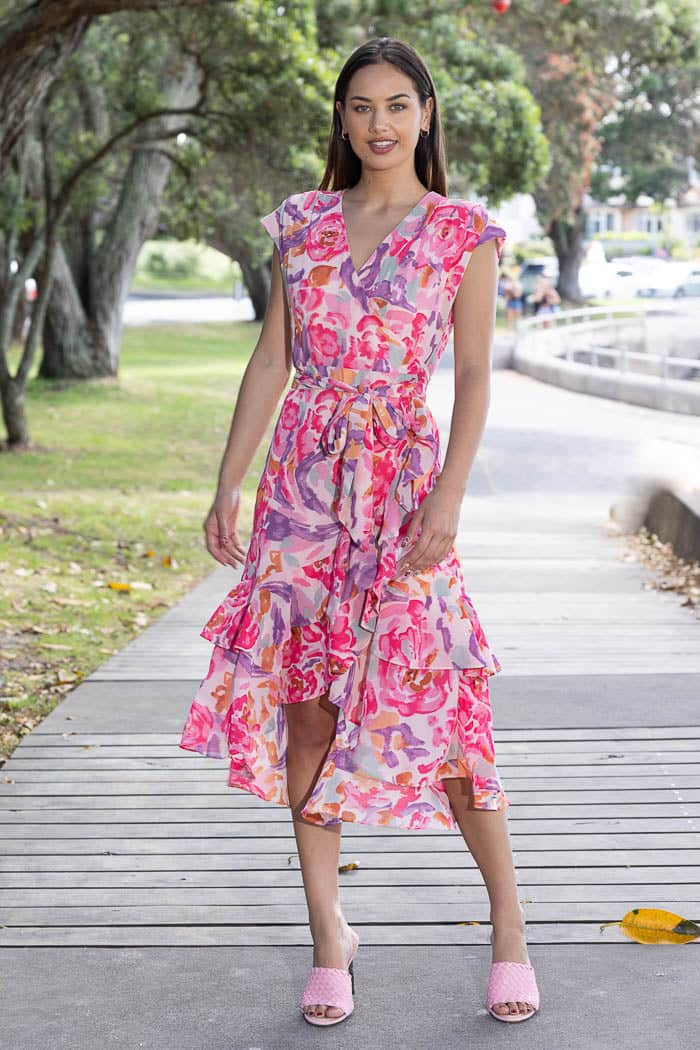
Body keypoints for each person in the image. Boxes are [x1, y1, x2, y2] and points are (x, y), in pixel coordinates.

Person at [178, 36, 540, 1028]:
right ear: (341, 121)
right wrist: (230, 485)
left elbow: (471, 377)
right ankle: (328, 933)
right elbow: (270, 363)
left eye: (396, 105)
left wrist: (449, 499)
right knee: (306, 707)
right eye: (359, 107)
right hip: (302, 489)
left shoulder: (461, 232)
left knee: (444, 708)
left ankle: (507, 925)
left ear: (425, 114)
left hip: (400, 490)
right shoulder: (301, 223)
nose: (378, 123)